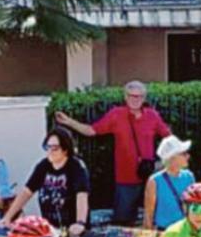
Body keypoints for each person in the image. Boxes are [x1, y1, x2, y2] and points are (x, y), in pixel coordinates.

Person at [55, 80, 172, 227]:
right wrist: (68, 122)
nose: (135, 99)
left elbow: (169, 138)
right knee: (123, 223)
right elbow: (92, 130)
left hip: (149, 177)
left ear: (144, 98)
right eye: (131, 95)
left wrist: (163, 162)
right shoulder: (116, 115)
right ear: (125, 97)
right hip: (125, 179)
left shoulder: (152, 116)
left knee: (154, 219)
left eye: (139, 96)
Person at [4, 127, 92, 237]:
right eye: (48, 147)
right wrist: (8, 217)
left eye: (55, 148)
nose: (50, 151)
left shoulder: (76, 167)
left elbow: (82, 195)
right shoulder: (43, 166)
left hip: (70, 230)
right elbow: (26, 192)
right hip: (50, 231)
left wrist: (80, 222)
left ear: (65, 149)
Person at [142, 135, 195, 231]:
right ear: (172, 157)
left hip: (185, 233)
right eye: (184, 153)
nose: (188, 156)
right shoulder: (154, 181)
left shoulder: (189, 177)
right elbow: (148, 216)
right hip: (163, 233)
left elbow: (195, 209)